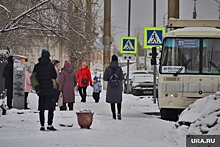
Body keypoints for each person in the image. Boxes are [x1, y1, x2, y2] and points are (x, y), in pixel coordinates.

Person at [33, 50, 57, 131]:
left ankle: (42, 125)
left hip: (40, 89)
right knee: (50, 107)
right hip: (49, 89)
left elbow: (33, 76)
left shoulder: (37, 66)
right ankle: (50, 124)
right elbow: (54, 76)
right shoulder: (50, 66)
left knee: (41, 108)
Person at [103, 55, 123, 120]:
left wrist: (110, 78)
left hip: (111, 87)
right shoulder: (119, 68)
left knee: (112, 101)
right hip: (118, 87)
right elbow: (122, 77)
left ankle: (114, 115)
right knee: (118, 100)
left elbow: (105, 78)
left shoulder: (108, 68)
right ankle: (119, 113)